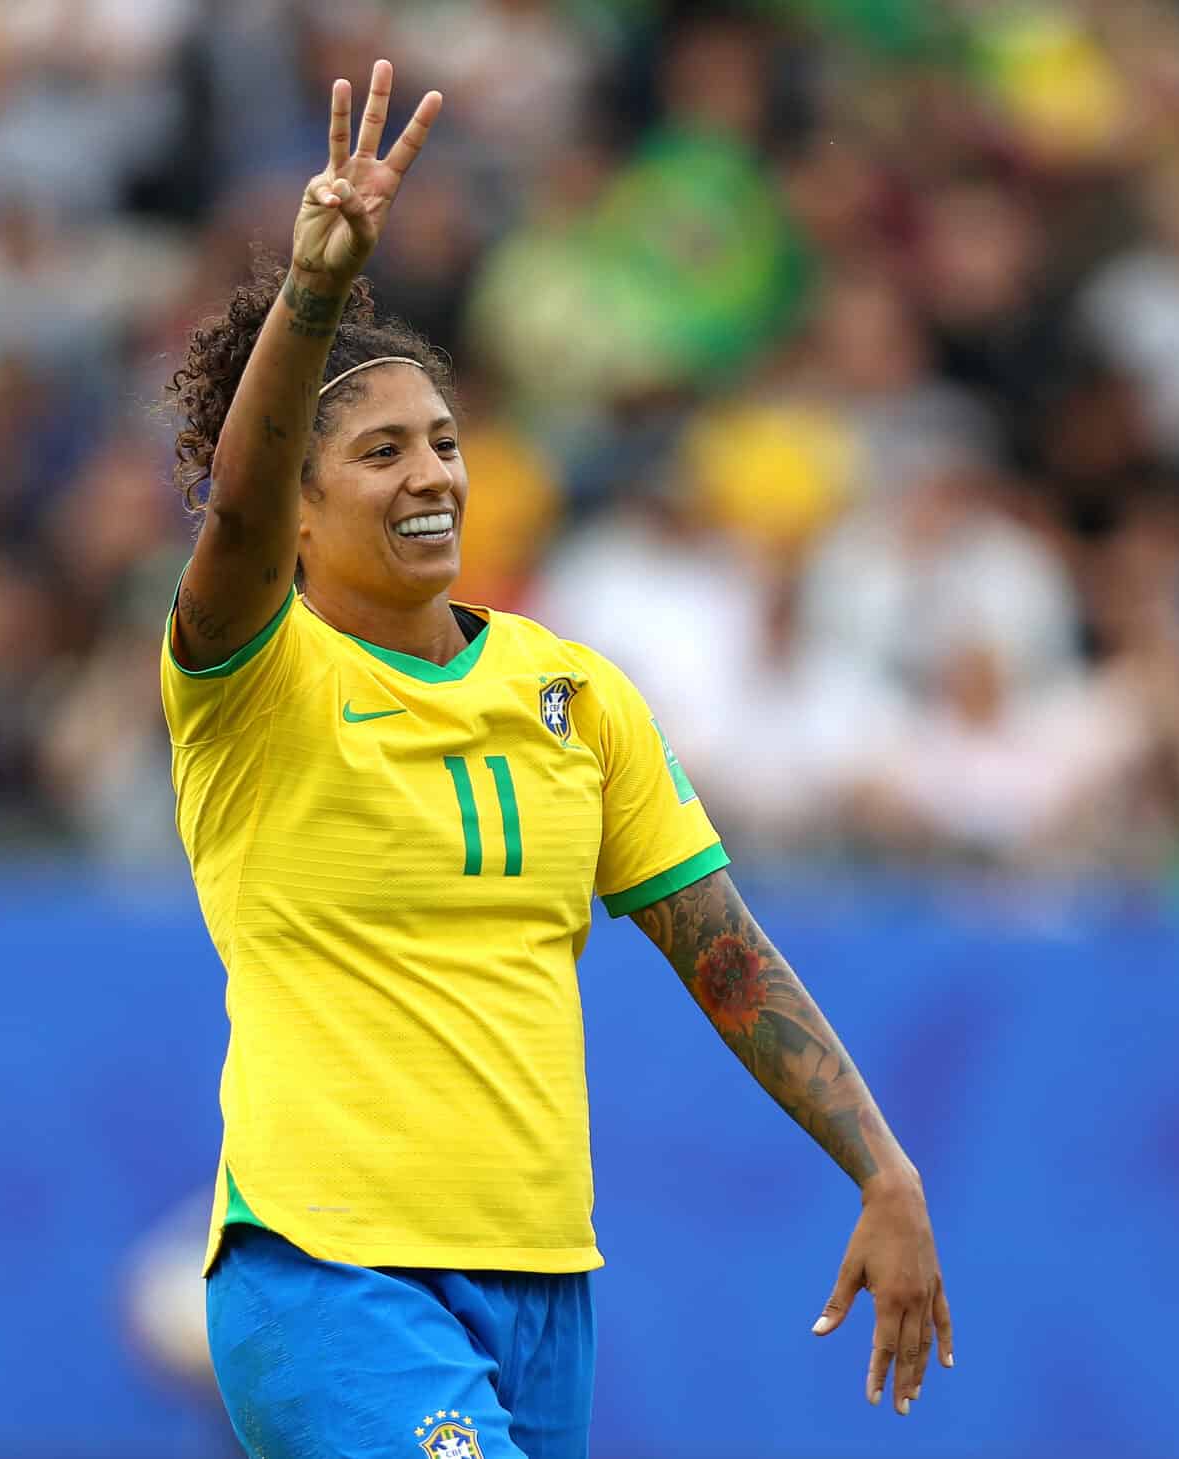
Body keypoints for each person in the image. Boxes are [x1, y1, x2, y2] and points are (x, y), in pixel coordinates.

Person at [161, 60, 953, 1459]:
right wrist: (314, 294)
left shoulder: (576, 696)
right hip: (329, 1271)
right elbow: (231, 515)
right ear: (300, 505)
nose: (433, 475)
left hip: (540, 1281)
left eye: (445, 443)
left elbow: (728, 959)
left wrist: (883, 1168)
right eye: (381, 453)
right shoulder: (253, 681)